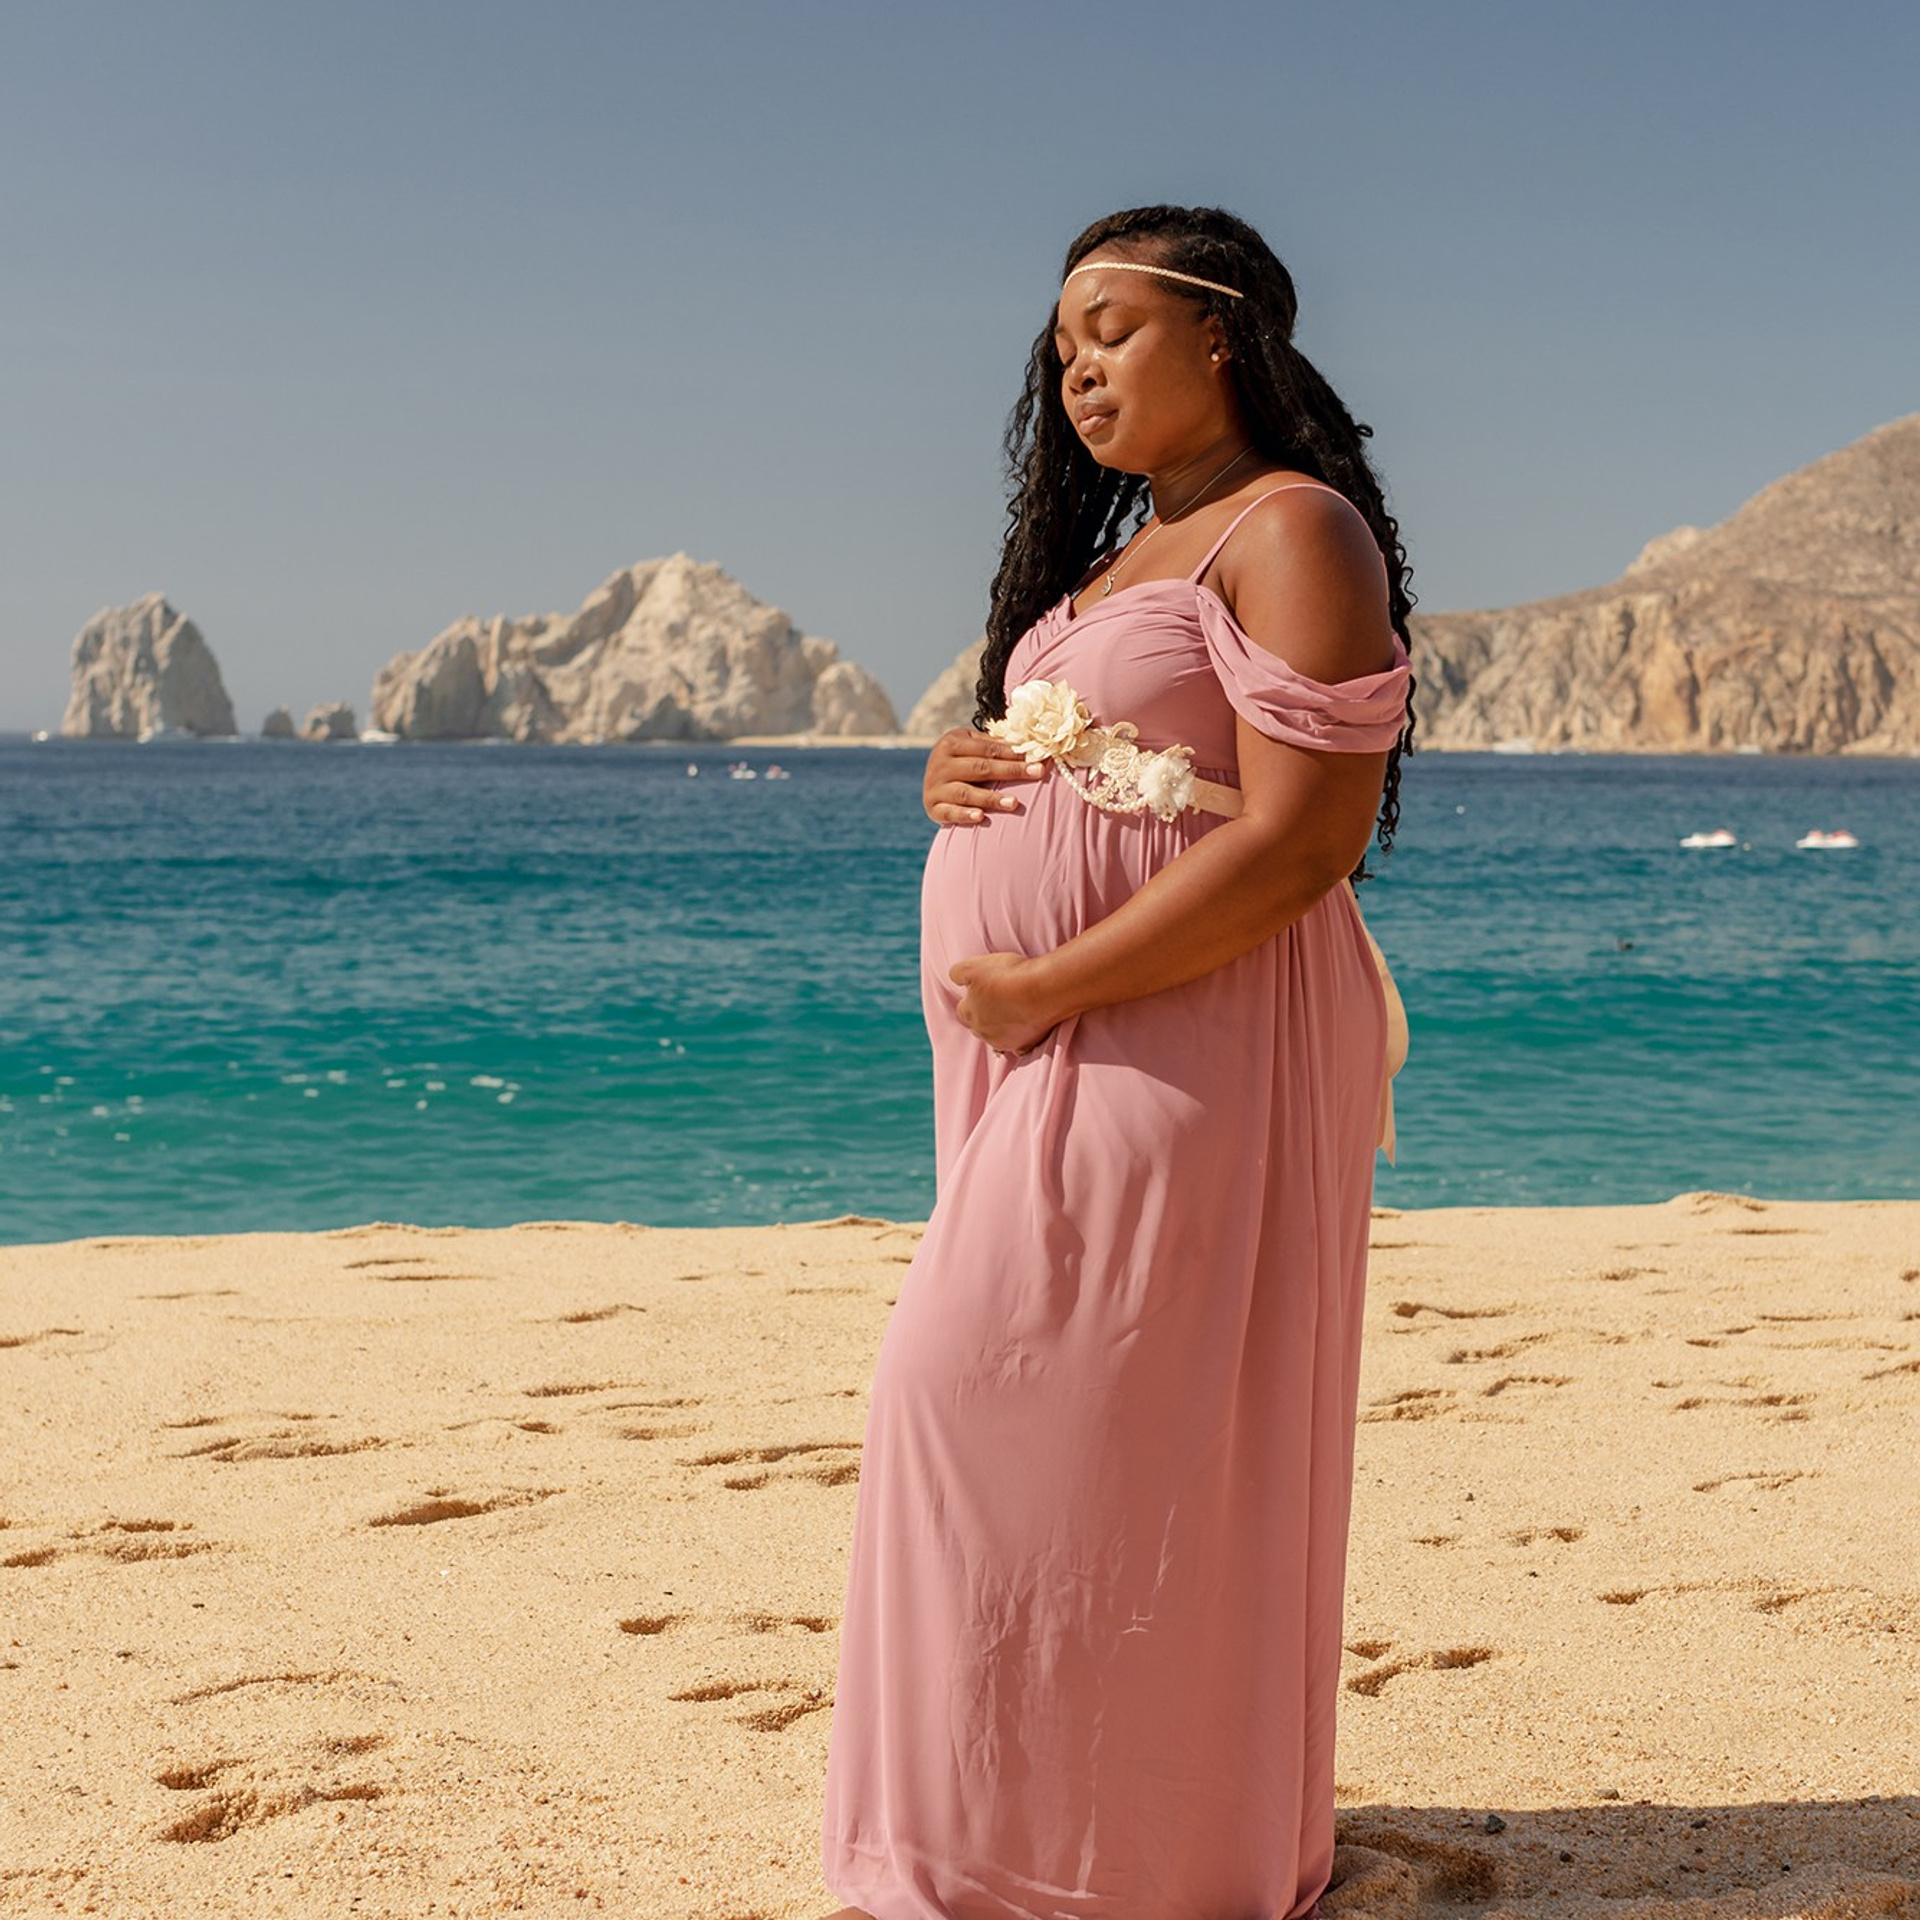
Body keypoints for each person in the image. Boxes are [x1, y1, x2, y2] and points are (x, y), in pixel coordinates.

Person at [818, 203, 1417, 1920]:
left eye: (1114, 329)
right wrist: (965, 771)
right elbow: (1104, 755)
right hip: (1050, 1047)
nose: (1076, 365)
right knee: (1072, 1428)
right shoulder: (1109, 567)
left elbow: (1305, 840)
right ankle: (1017, 1845)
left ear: (1221, 339)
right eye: (1061, 343)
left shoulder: (1293, 530)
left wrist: (1050, 985)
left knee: (990, 1396)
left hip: (1181, 1035)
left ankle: (1107, 1861)